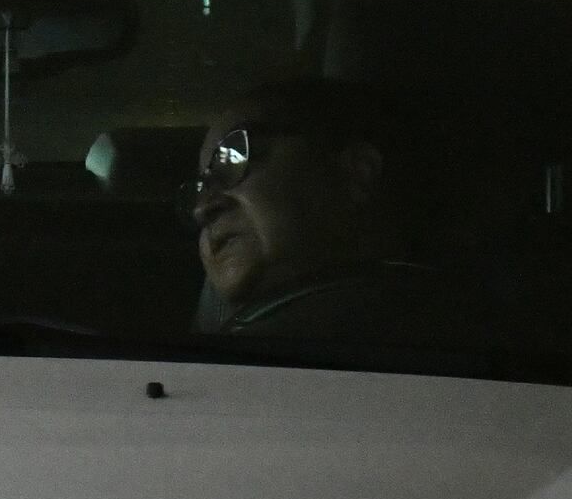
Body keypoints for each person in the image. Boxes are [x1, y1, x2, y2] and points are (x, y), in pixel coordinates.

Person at [187, 80, 498, 349]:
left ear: (358, 171)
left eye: (232, 159)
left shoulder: (476, 328)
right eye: (200, 186)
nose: (202, 208)